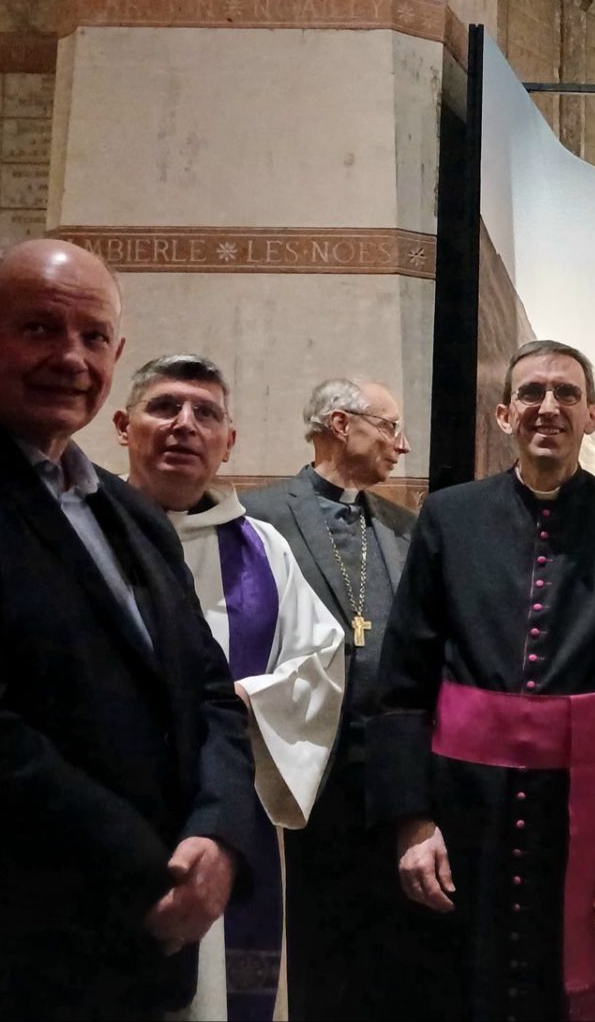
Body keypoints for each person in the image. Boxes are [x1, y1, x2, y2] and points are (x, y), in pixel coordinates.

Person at [0, 239, 255, 1016]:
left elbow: (210, 689)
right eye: (38, 329)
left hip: (141, 950)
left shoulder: (131, 514)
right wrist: (157, 867)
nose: (70, 357)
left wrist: (222, 833)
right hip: (4, 947)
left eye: (93, 337)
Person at [370, 339, 595, 1020]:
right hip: (464, 806)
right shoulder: (450, 517)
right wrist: (413, 820)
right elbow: (403, 680)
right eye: (534, 393)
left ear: (593, 415)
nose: (550, 407)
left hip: (587, 812)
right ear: (503, 413)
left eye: (568, 394)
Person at [114, 353, 348, 1021]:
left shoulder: (263, 549)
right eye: (165, 407)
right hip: (113, 817)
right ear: (124, 425)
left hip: (231, 818)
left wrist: (250, 699)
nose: (185, 425)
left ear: (228, 441)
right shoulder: (84, 532)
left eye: (205, 413)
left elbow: (321, 660)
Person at [241, 376, 446, 1018]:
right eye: (388, 427)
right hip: (304, 777)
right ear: (340, 424)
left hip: (391, 781)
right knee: (316, 952)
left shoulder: (404, 527)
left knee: (396, 958)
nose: (402, 445)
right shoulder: (262, 517)